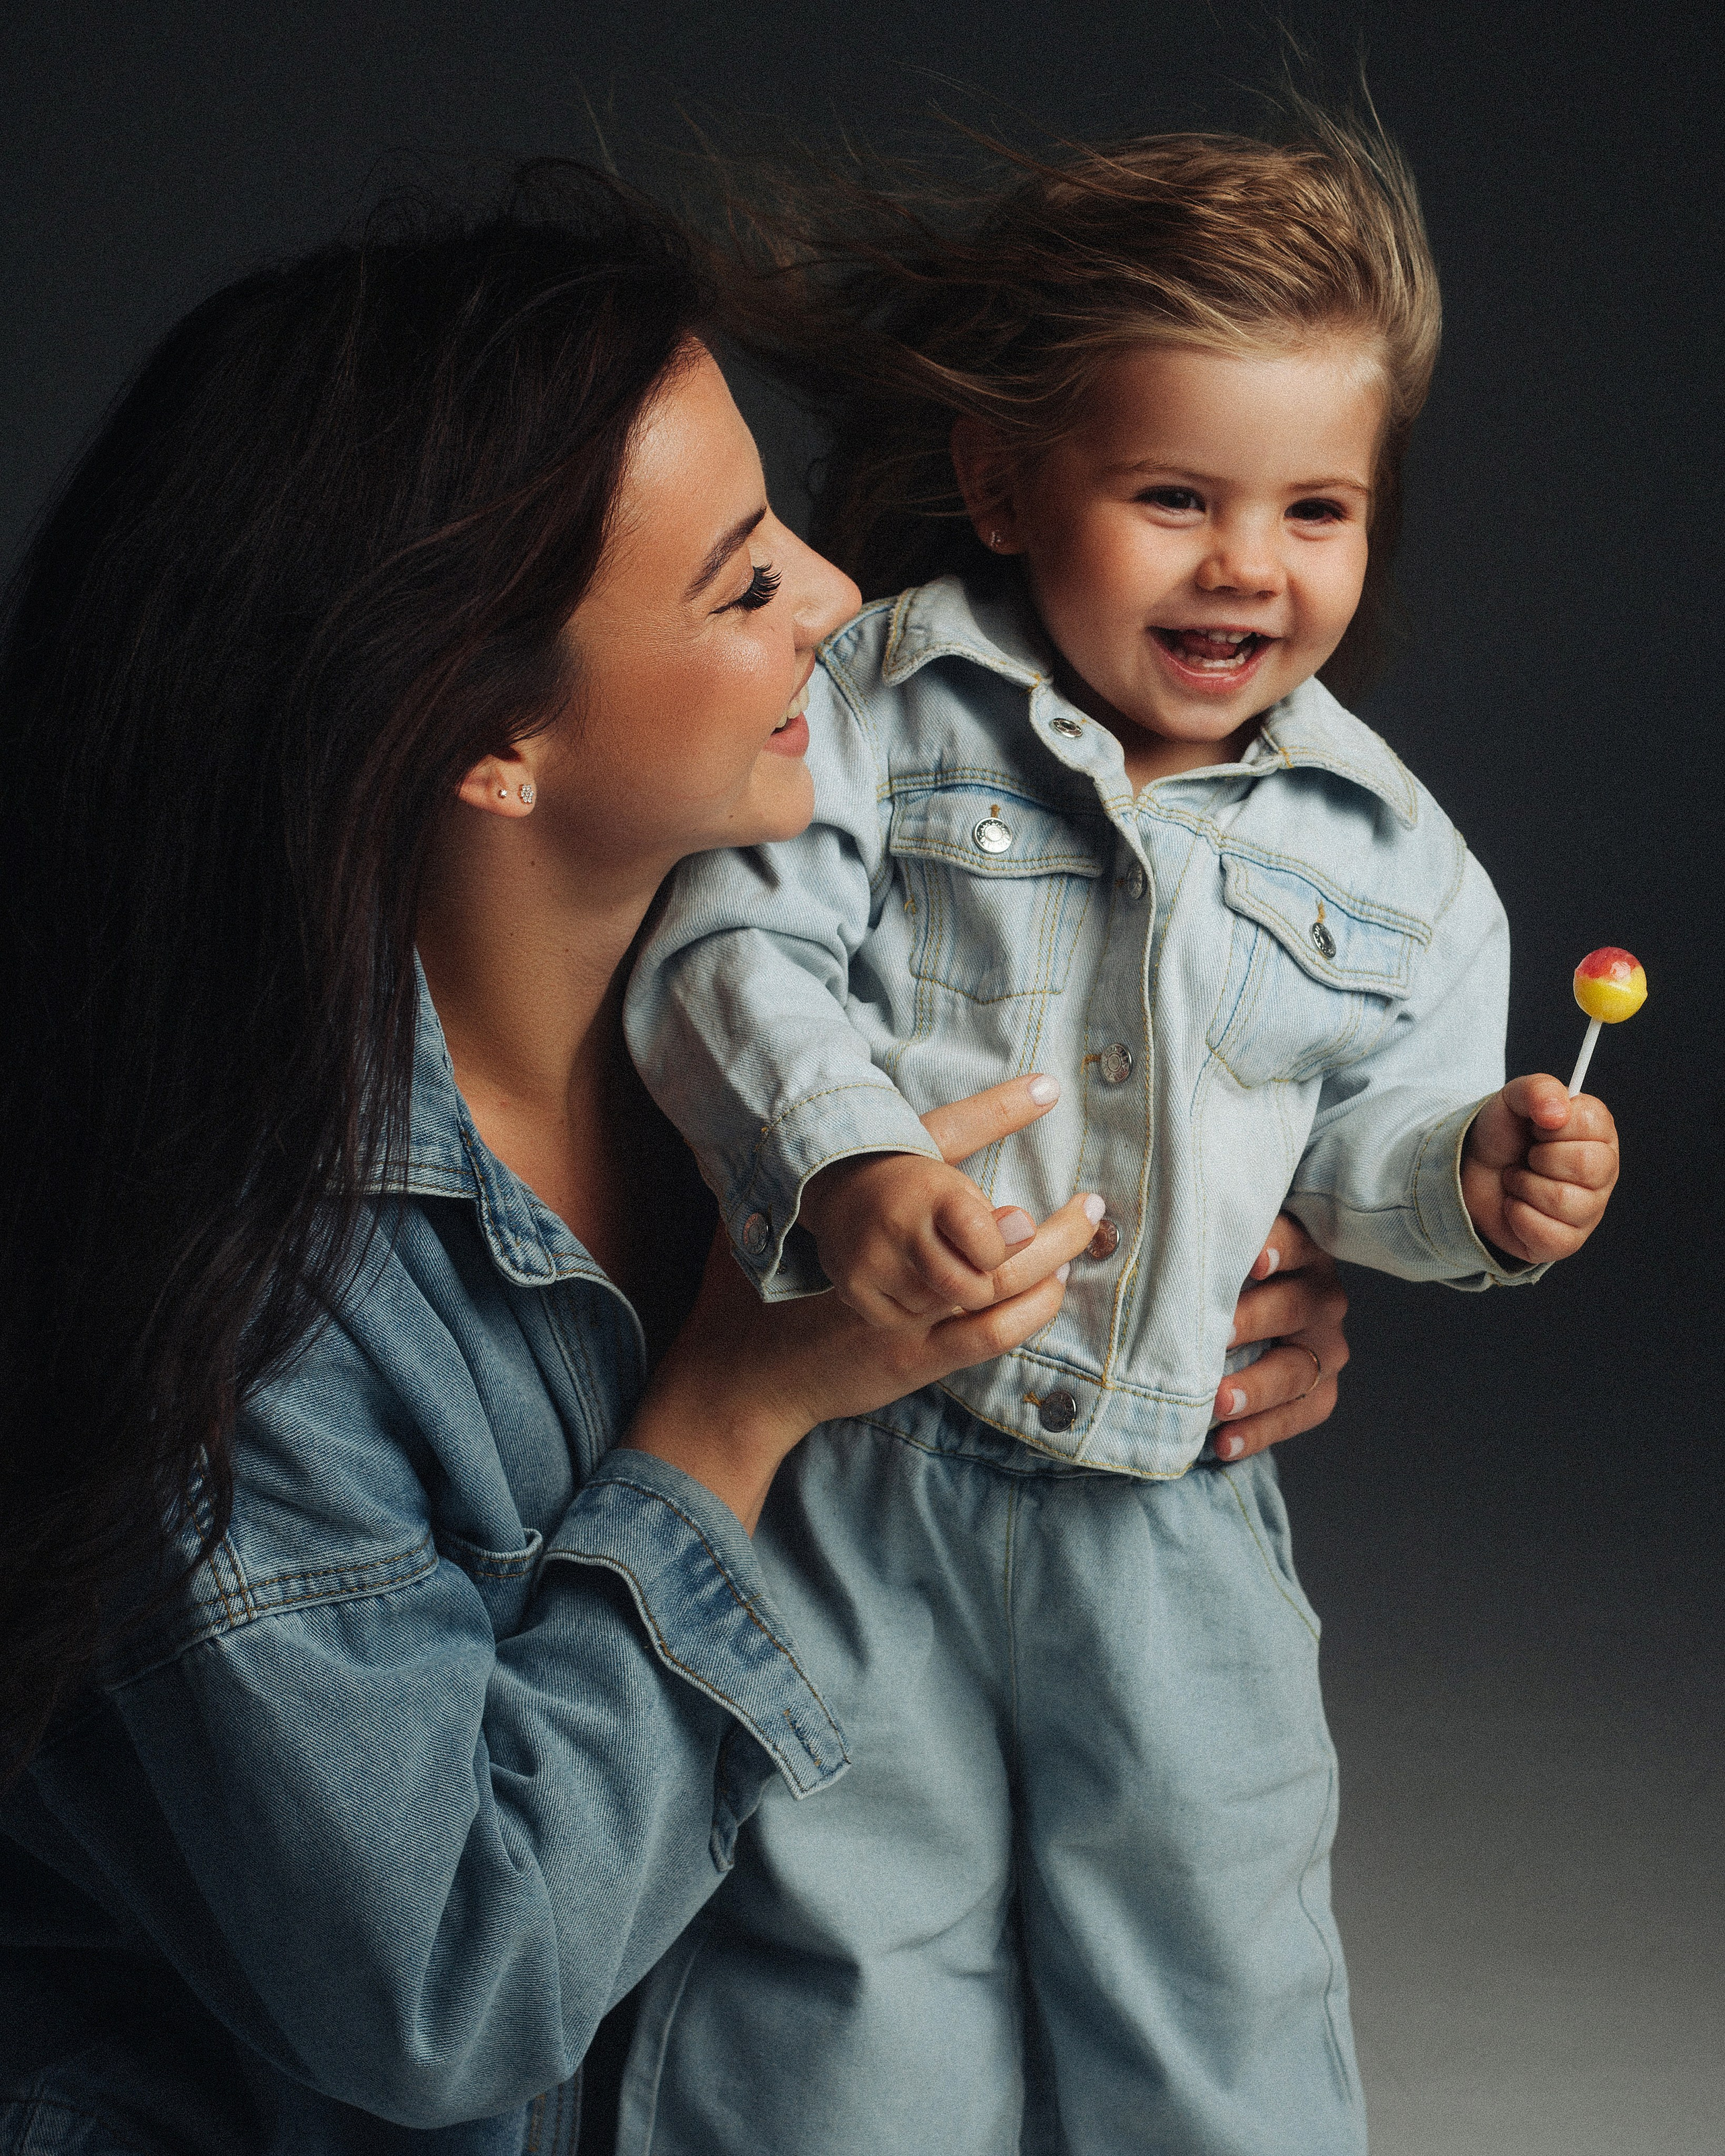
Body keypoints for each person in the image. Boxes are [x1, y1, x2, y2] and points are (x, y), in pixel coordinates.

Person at [0, 166, 1352, 2155]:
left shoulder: (813, 1018)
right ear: (485, 740)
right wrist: (726, 1416)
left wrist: (1224, 1294)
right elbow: (448, 2002)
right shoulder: (233, 1312)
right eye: (739, 582)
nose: (832, 594)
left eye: (785, 526)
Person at [621, 117, 1622, 2152]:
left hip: (1170, 1517)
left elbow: (1355, 1169)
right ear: (1008, 484)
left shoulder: (1402, 865)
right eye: (1176, 496)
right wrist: (850, 1159)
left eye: (1317, 509)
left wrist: (1481, 1190)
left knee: (1214, 1980)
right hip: (856, 1479)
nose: (1249, 563)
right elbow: (733, 944)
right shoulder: (877, 709)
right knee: (838, 1973)